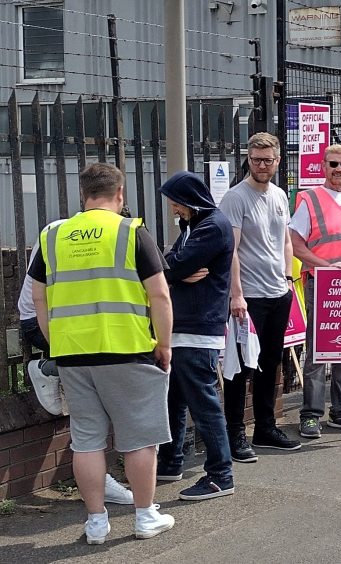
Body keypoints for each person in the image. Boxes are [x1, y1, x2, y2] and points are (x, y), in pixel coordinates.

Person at [30, 163, 174, 544]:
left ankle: (96, 523)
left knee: (87, 441)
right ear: (120, 194)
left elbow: (38, 297)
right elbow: (159, 294)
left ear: (83, 194)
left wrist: (56, 341)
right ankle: (145, 517)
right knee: (140, 439)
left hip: (74, 354)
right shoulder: (130, 231)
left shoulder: (54, 235)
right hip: (127, 349)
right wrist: (164, 344)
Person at [20, 217, 134, 505]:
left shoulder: (77, 232)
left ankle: (97, 477)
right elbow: (42, 297)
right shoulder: (62, 235)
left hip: (70, 319)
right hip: (42, 321)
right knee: (104, 374)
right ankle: (49, 368)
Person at [219, 132, 300, 463]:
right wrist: (236, 295)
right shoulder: (236, 198)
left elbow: (285, 239)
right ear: (248, 160)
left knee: (271, 363)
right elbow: (230, 250)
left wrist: (288, 276)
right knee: (240, 368)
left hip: (278, 292)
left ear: (278, 161)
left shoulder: (280, 196)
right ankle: (235, 432)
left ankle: (265, 426)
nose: (262, 165)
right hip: (248, 298)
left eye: (268, 160)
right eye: (256, 160)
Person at [157, 171, 235, 501]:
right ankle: (170, 461)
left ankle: (220, 475)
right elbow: (170, 265)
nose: (174, 209)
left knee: (204, 405)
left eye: (176, 203)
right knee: (173, 400)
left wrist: (173, 273)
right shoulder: (196, 227)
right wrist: (175, 273)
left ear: (190, 199)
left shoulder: (212, 226)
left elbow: (166, 268)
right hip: (185, 327)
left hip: (197, 328)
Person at [290, 144, 341, 438]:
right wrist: (326, 266)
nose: (339, 170)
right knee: (317, 349)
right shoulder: (310, 199)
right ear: (322, 166)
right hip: (322, 283)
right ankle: (311, 414)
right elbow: (296, 244)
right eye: (333, 164)